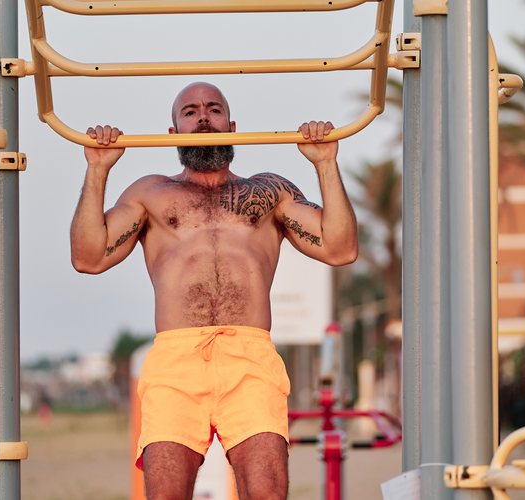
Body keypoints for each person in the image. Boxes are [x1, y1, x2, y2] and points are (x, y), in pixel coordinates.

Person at [70, 82, 358, 500]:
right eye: (190, 112)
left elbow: (340, 247)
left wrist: (325, 163)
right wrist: (97, 169)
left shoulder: (268, 191)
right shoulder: (150, 193)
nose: (203, 117)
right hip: (176, 360)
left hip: (250, 357)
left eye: (213, 109)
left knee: (267, 493)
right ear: (173, 134)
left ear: (232, 124)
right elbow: (88, 257)